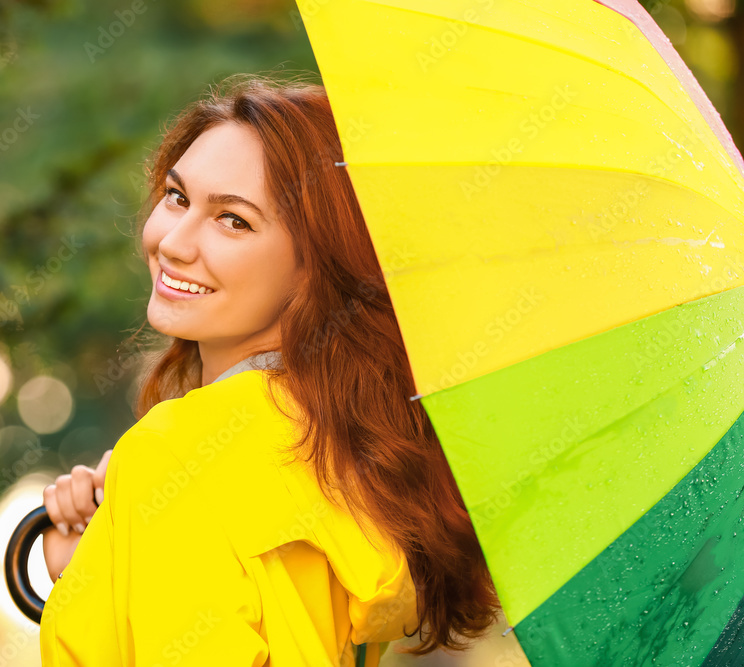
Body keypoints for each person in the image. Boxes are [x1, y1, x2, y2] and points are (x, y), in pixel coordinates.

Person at [39, 71, 500, 666]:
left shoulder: (178, 454)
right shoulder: (345, 456)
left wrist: (153, 494)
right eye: (177, 198)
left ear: (316, 267)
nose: (175, 242)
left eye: (234, 220)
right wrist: (100, 569)